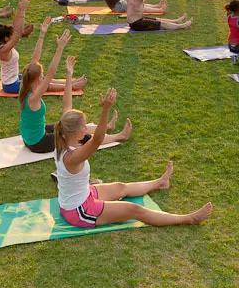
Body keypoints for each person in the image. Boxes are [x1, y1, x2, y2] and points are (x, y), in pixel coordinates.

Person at [55, 87, 210, 228]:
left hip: (81, 195)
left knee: (121, 187)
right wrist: (105, 110)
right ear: (76, 131)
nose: (86, 127)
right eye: (84, 126)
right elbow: (97, 139)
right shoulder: (73, 157)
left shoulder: (63, 139)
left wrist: (69, 74)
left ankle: (160, 182)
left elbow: (67, 110)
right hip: (79, 211)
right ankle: (189, 219)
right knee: (134, 210)